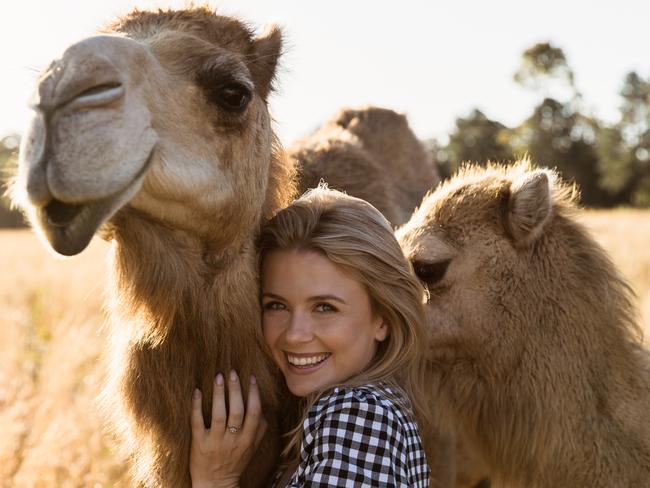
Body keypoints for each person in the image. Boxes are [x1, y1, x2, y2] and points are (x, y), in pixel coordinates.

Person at [189, 187, 433, 487]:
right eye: (276, 305)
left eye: (324, 308)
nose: (294, 335)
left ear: (382, 319)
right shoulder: (344, 413)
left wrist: (216, 480)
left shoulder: (359, 416)